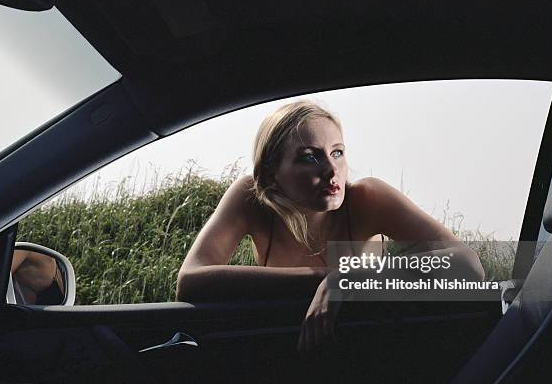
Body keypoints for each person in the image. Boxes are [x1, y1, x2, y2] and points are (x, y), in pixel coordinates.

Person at [176, 101, 484, 352]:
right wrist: (325, 280)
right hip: (289, 351)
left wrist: (348, 277)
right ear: (271, 175)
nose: (331, 170)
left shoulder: (367, 198)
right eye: (309, 157)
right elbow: (190, 281)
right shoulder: (251, 198)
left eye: (337, 152)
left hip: (374, 349)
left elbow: (469, 266)